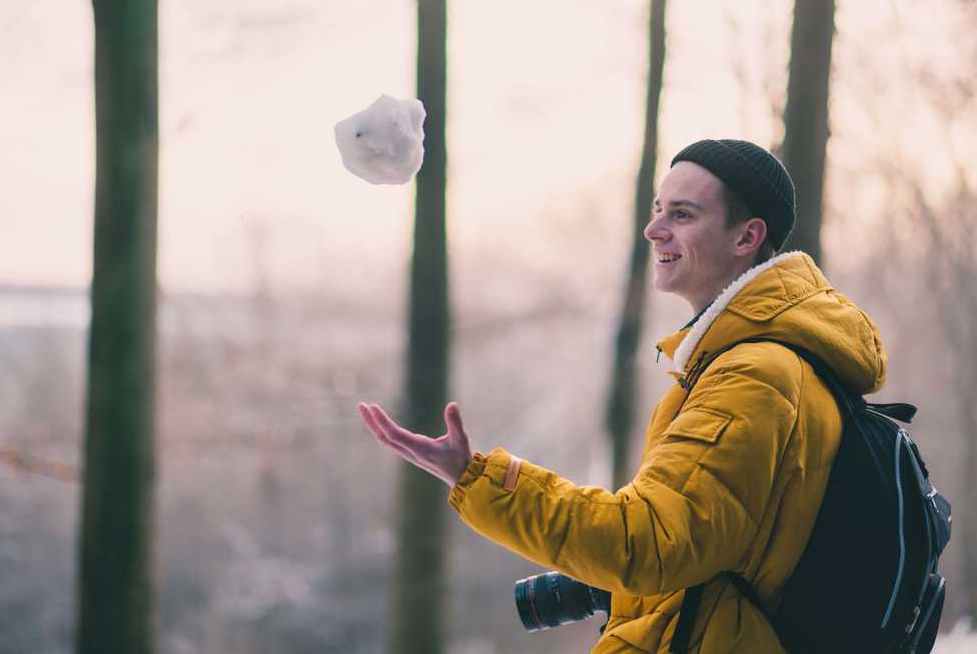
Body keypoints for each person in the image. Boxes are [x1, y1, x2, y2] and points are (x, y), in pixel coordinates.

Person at [357, 139, 888, 653]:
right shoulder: (765, 360)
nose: (653, 228)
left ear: (747, 237)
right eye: (659, 209)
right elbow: (717, 545)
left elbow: (648, 543)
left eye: (682, 214)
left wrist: (481, 479)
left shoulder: (752, 375)